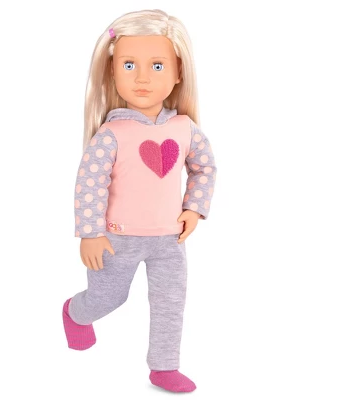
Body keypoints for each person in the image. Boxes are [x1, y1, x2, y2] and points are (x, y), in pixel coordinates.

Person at [62, 9, 217, 393]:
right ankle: (76, 312)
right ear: (112, 71)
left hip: (170, 240)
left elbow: (204, 168)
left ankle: (164, 367)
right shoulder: (111, 134)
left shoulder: (184, 129)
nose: (142, 77)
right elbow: (89, 186)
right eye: (129, 65)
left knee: (170, 304)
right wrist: (90, 233)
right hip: (117, 238)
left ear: (178, 72)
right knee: (108, 297)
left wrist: (193, 208)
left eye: (157, 65)